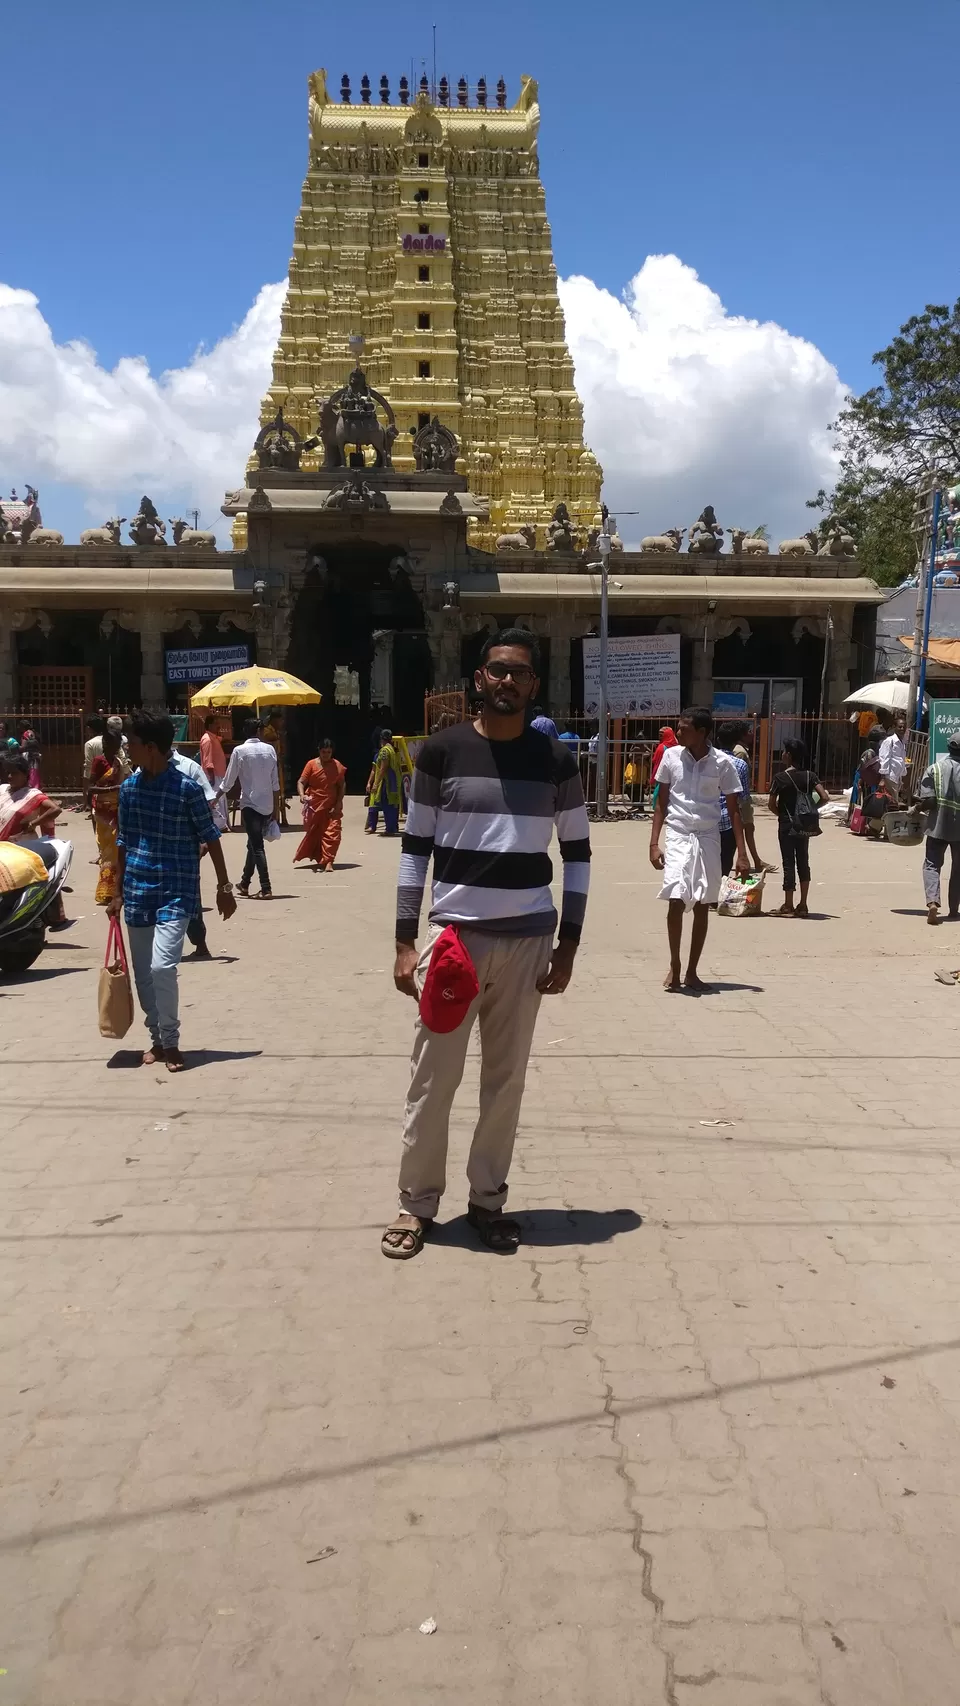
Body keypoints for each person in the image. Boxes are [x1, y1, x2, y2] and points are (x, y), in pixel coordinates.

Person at [382, 627, 591, 1260]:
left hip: (529, 941)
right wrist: (403, 939)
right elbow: (415, 850)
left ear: (534, 685)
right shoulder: (439, 753)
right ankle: (416, 1204)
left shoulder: (556, 761)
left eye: (520, 674)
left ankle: (488, 1201)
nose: (508, 681)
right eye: (498, 671)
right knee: (432, 1080)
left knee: (507, 1082)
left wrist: (570, 945)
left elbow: (578, 854)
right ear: (479, 679)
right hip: (454, 945)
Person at [108, 712, 236, 1070]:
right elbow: (123, 840)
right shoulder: (130, 789)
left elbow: (211, 837)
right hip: (136, 889)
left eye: (131, 744)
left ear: (150, 748)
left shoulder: (188, 789)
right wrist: (116, 891)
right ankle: (158, 1041)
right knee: (144, 974)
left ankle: (172, 1040)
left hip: (176, 892)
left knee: (163, 966)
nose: (127, 750)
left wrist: (224, 887)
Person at [649, 706, 749, 992]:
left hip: (708, 837)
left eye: (684, 728)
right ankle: (675, 965)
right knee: (676, 898)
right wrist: (654, 843)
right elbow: (661, 803)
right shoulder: (670, 757)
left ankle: (692, 971)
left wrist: (742, 854)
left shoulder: (723, 764)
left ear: (702, 732)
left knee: (704, 903)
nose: (678, 732)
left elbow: (734, 811)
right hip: (678, 835)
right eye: (678, 727)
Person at [217, 718, 280, 899]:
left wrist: (216, 798)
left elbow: (228, 781)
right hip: (266, 804)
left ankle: (266, 887)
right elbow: (275, 784)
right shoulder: (270, 750)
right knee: (252, 844)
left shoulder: (239, 751)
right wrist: (275, 808)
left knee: (257, 846)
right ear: (259, 731)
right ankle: (244, 883)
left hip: (250, 805)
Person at [767, 738, 830, 917]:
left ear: (789, 755)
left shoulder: (779, 778)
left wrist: (783, 815)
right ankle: (803, 904)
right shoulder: (811, 775)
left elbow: (771, 804)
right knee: (803, 861)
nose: (783, 754)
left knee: (788, 862)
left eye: (785, 751)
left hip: (787, 824)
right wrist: (810, 810)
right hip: (804, 824)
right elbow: (824, 797)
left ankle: (788, 904)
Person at [918, 732, 960, 924]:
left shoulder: (933, 769)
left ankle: (933, 902)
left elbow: (929, 801)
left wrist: (915, 808)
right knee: (958, 869)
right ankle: (953, 910)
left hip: (937, 827)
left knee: (932, 865)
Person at [86, 727, 131, 905]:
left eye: (110, 743)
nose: (106, 746)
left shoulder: (118, 762)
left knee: (118, 849)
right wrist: (111, 790)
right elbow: (91, 788)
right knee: (108, 852)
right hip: (103, 812)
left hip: (116, 810)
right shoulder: (99, 761)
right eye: (105, 743)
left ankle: (116, 888)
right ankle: (106, 890)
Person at [294, 737, 346, 870]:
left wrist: (339, 802)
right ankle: (320, 858)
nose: (326, 755)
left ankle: (329, 861)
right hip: (314, 806)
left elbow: (342, 785)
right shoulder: (311, 764)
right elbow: (301, 781)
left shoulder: (337, 766)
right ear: (319, 751)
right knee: (316, 833)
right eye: (324, 752)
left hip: (331, 806)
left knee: (332, 833)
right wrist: (302, 795)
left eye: (329, 752)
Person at [730, 727, 775, 871]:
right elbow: (736, 776)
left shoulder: (741, 750)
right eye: (748, 732)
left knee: (747, 829)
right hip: (741, 798)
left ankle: (754, 860)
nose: (752, 734)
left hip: (742, 797)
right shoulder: (740, 752)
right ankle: (753, 860)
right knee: (746, 829)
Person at [716, 722, 753, 876]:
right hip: (729, 824)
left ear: (718, 739)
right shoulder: (740, 764)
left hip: (706, 822)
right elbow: (743, 797)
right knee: (724, 866)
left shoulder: (708, 761)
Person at [365, 729, 402, 836]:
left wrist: (376, 783)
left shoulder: (385, 751)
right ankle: (392, 827)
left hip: (386, 782)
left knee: (388, 804)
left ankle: (390, 829)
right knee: (392, 804)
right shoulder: (394, 750)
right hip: (394, 781)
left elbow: (383, 768)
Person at [199, 715, 229, 830]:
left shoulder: (213, 738)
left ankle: (222, 824)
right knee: (216, 799)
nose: (218, 726)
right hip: (213, 774)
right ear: (210, 725)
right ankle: (218, 825)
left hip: (218, 774)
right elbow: (208, 760)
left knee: (220, 799)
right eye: (216, 723)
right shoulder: (207, 739)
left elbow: (221, 739)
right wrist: (211, 776)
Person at [878, 715, 907, 800]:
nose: (902, 729)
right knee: (892, 802)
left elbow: (901, 760)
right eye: (900, 727)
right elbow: (884, 759)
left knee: (892, 802)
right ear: (894, 727)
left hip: (896, 778)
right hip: (889, 777)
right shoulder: (889, 741)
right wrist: (882, 779)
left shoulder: (902, 742)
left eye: (904, 727)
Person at [650, 725, 678, 807]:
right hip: (673, 776)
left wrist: (652, 779)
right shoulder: (677, 747)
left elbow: (657, 764)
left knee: (659, 795)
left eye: (662, 734)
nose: (660, 737)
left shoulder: (661, 747)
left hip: (662, 776)